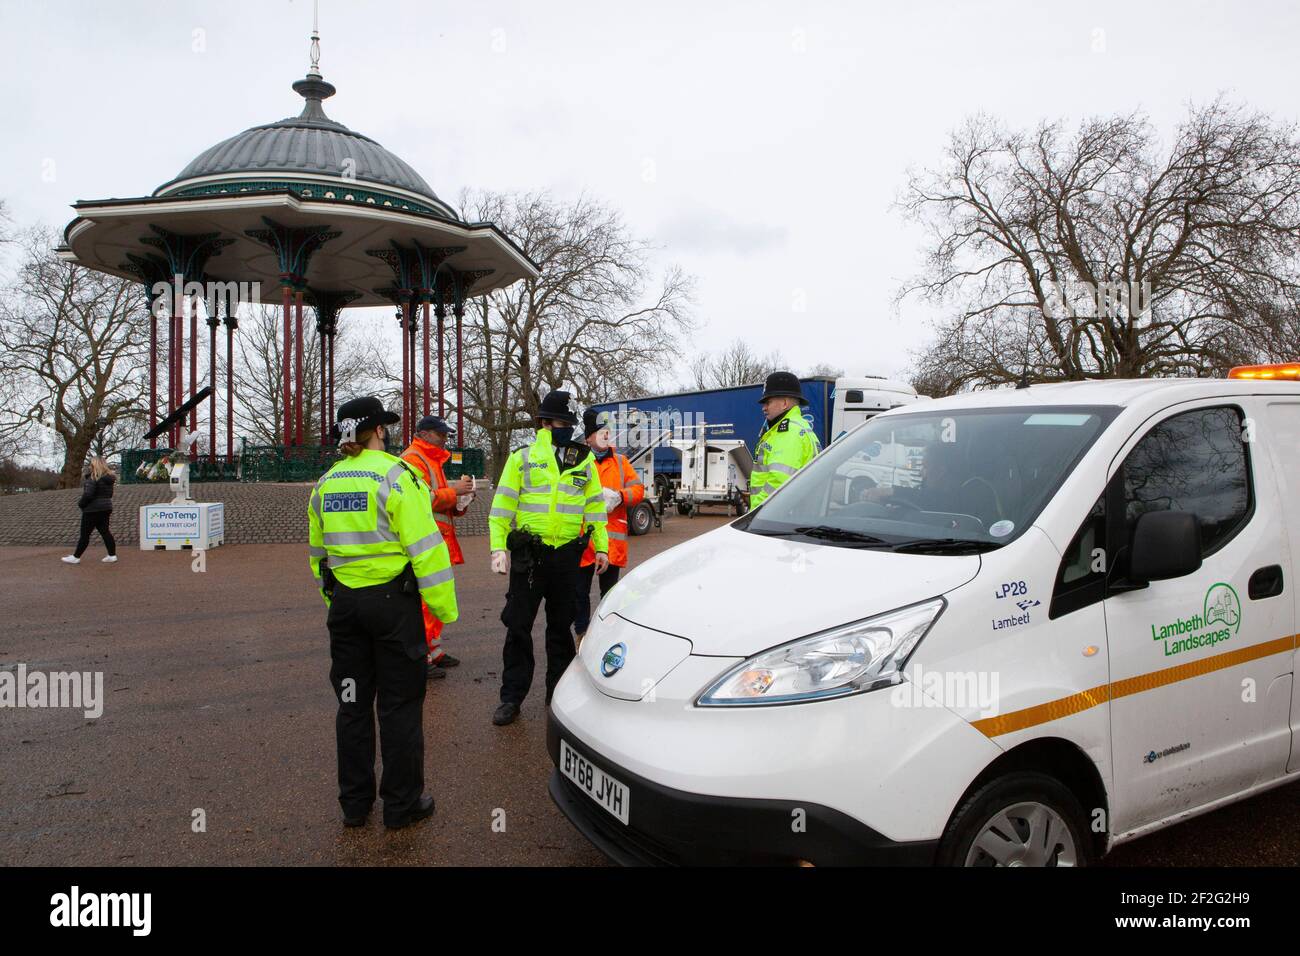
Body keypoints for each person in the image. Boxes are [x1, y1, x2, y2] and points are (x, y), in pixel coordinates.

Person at [308, 396, 458, 830]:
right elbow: (427, 550)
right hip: (393, 606)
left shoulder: (325, 484)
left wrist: (334, 603)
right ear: (377, 431)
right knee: (399, 707)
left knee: (352, 704)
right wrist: (443, 608)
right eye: (386, 427)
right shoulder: (398, 475)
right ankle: (401, 804)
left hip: (347, 610)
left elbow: (318, 557)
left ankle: (355, 805)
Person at [487, 390, 609, 726]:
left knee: (560, 629)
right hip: (530, 557)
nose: (566, 428)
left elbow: (595, 507)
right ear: (544, 423)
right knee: (518, 628)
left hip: (567, 556)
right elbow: (500, 510)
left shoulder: (583, 459)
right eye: (561, 422)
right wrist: (498, 547)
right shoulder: (523, 457)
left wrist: (601, 546)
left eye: (570, 423)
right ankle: (511, 697)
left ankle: (557, 693)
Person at [401, 415, 474, 679]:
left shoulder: (431, 459)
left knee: (435, 600)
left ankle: (433, 650)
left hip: (437, 539)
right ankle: (422, 656)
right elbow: (422, 500)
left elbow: (436, 501)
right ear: (424, 433)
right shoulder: (413, 459)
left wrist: (459, 503)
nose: (445, 438)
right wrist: (454, 492)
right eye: (440, 433)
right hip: (426, 542)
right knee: (425, 601)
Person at [573, 408, 643, 642]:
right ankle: (582, 634)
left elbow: (638, 490)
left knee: (610, 594)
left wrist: (620, 497)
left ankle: (606, 635)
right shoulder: (579, 462)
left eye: (607, 431)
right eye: (600, 431)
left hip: (611, 542)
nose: (605, 435)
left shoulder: (621, 462)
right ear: (588, 438)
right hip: (584, 541)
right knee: (579, 593)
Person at [746, 371, 822, 511]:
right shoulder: (799, 427)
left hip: (774, 516)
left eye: (768, 402)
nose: (764, 408)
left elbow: (779, 481)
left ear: (784, 403)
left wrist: (756, 512)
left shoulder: (788, 433)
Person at [62, 457, 118, 565]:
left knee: (85, 535)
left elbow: (88, 494)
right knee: (105, 532)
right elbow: (110, 495)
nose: (89, 466)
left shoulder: (92, 478)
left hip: (92, 510)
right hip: (106, 508)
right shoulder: (109, 480)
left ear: (93, 465)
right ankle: (112, 555)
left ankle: (76, 557)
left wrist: (81, 504)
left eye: (90, 464)